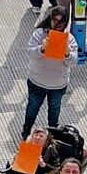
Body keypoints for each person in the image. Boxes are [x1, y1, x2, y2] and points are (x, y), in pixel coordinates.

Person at [21, 7, 79, 139]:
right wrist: (41, 48)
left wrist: (67, 53)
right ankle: (27, 129)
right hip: (37, 82)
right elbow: (30, 53)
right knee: (32, 107)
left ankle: (53, 134)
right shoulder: (39, 34)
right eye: (54, 20)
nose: (57, 24)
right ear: (50, 19)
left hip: (57, 85)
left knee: (54, 110)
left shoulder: (69, 39)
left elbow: (74, 62)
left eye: (61, 21)